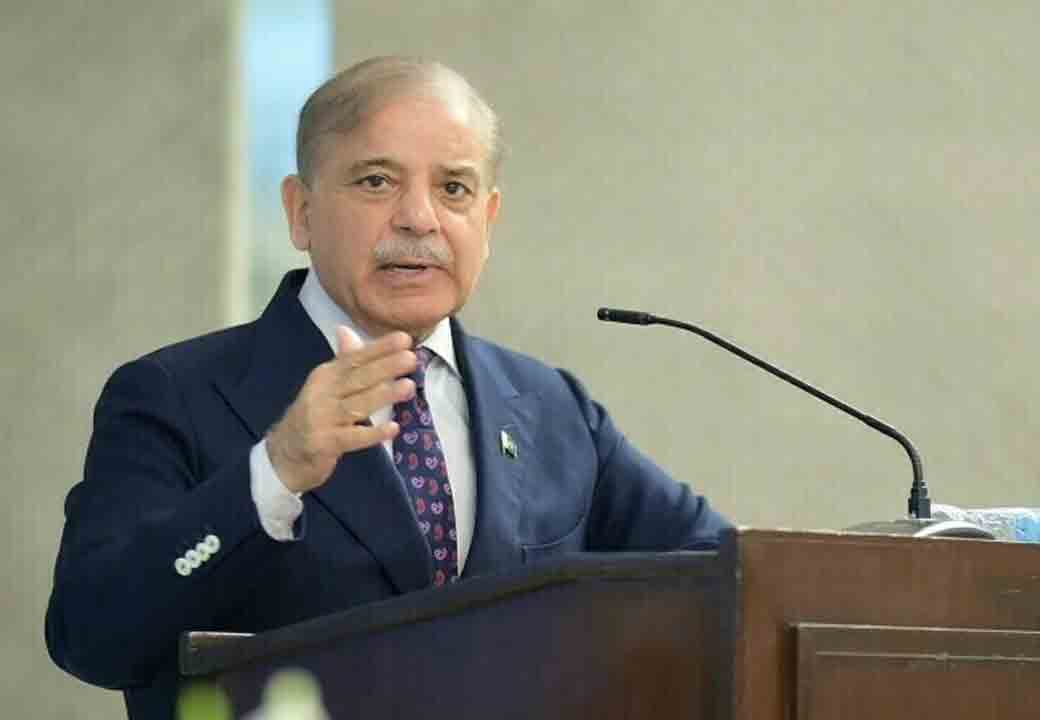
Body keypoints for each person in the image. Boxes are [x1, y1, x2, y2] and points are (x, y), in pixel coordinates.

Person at [45, 56, 729, 720]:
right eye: (376, 181)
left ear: (488, 219)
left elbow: (727, 572)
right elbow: (93, 636)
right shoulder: (173, 396)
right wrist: (273, 473)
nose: (419, 218)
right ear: (300, 211)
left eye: (454, 189)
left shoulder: (552, 408)